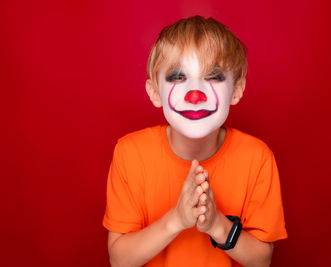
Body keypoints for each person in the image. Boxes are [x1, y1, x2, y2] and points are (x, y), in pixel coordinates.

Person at [103, 15, 287, 267]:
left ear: (237, 89)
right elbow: (120, 261)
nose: (195, 95)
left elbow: (262, 261)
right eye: (178, 77)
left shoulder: (257, 157)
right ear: (155, 93)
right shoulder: (130, 153)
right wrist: (176, 219)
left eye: (213, 75)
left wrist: (216, 225)